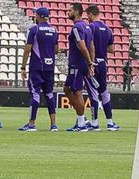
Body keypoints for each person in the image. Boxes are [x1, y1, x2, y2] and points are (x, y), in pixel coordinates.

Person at [19, 7, 59, 132]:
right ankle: (53, 125)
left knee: (35, 94)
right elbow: (56, 50)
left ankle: (31, 124)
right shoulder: (54, 30)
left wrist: (23, 66)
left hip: (36, 67)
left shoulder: (34, 29)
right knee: (49, 94)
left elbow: (27, 49)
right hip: (50, 67)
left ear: (39, 16)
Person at [85, 5, 119, 131]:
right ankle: (110, 122)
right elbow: (111, 49)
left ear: (90, 14)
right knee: (104, 92)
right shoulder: (107, 29)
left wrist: (90, 61)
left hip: (93, 63)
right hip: (103, 63)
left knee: (93, 93)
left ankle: (94, 123)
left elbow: (89, 45)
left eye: (87, 15)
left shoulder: (90, 27)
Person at [63, 2, 95, 132]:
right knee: (67, 89)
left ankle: (81, 122)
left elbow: (82, 46)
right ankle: (81, 119)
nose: (68, 12)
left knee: (76, 91)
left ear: (76, 12)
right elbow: (91, 46)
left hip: (76, 63)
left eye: (70, 10)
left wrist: (89, 63)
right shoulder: (87, 27)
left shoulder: (76, 28)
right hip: (82, 63)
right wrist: (90, 63)